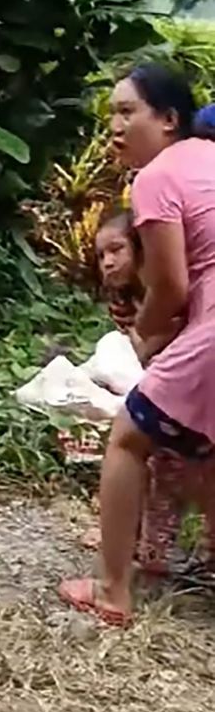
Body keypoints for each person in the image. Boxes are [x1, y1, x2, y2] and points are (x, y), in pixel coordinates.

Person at [60, 63, 215, 625]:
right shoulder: (209, 159)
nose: (115, 127)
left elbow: (171, 285)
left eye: (128, 112)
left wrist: (143, 336)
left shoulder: (156, 177)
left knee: (128, 437)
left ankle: (112, 590)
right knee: (201, 455)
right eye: (112, 115)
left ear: (169, 118)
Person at [93, 209, 215, 575]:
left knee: (173, 469)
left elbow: (153, 347)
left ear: (142, 248)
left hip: (189, 398)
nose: (108, 262)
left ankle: (154, 553)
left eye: (117, 249)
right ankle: (141, 544)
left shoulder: (171, 292)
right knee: (163, 466)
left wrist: (146, 332)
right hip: (173, 397)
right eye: (101, 255)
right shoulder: (129, 299)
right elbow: (146, 353)